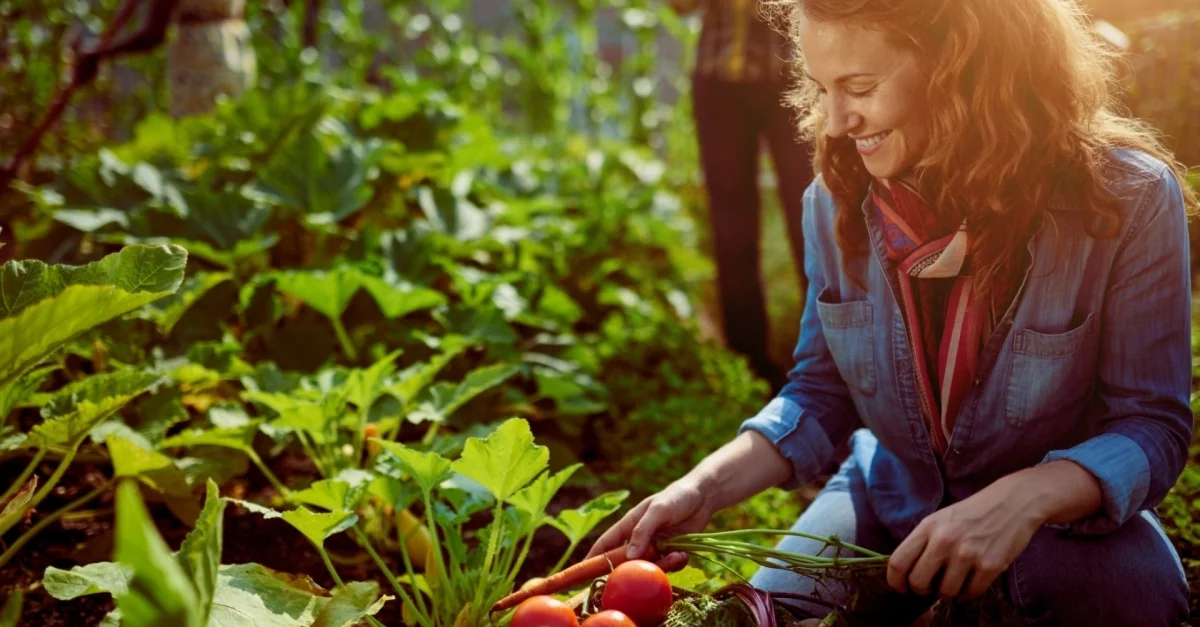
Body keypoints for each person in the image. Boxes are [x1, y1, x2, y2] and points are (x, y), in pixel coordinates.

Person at [589, 0, 1196, 624]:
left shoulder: (1129, 200)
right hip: (889, 494)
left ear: (963, 70)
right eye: (821, 88)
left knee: (1139, 600)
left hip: (1058, 519)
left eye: (859, 87)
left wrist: (1027, 499)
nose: (833, 122)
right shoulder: (833, 201)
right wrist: (702, 488)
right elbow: (820, 393)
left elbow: (1151, 424)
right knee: (772, 614)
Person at [670, 0, 814, 391]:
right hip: (719, 83)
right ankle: (749, 366)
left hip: (794, 73)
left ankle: (829, 356)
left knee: (811, 217)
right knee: (731, 231)